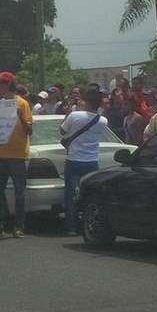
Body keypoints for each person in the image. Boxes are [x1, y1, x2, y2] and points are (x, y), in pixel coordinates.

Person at [0, 71, 33, 240]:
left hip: (18, 155)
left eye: (0, 84)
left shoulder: (22, 104)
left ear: (8, 85)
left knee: (19, 192)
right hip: (0, 154)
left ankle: (19, 227)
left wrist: (23, 119)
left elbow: (30, 130)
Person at [59, 88, 108, 236]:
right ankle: (87, 223)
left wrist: (69, 113)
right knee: (90, 195)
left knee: (71, 194)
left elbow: (62, 131)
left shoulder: (74, 116)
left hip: (74, 160)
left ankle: (71, 227)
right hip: (92, 161)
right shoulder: (103, 120)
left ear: (85, 101)